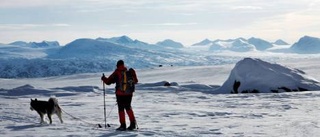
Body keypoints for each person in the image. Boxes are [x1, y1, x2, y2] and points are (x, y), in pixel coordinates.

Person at [101, 60, 138, 131]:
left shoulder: (117, 72)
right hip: (129, 93)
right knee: (128, 107)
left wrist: (103, 78)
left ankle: (123, 125)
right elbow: (135, 81)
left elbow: (108, 81)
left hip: (120, 94)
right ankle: (133, 124)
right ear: (123, 65)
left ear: (117, 65)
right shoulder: (128, 72)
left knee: (121, 109)